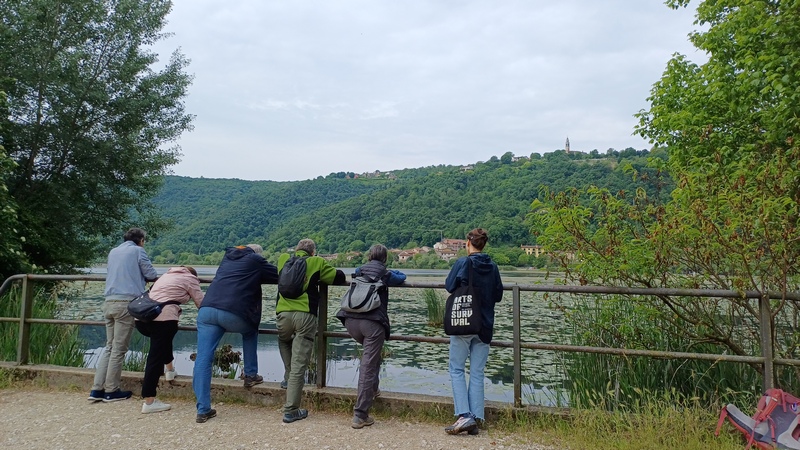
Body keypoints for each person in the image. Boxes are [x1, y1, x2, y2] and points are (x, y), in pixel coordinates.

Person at [193, 244, 278, 423]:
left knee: (203, 358)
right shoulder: (255, 260)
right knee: (250, 331)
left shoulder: (227, 258)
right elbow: (279, 275)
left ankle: (203, 409)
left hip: (207, 310)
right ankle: (250, 375)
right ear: (257, 254)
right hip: (233, 312)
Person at [336, 244, 406, 429]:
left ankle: (373, 390)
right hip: (372, 324)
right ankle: (360, 415)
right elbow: (402, 277)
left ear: (369, 256)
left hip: (350, 321)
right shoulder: (386, 273)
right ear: (385, 258)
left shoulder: (359, 270)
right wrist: (390, 270)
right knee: (368, 365)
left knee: (371, 359)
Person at [276, 238, 345, 423]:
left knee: (283, 340)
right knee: (299, 364)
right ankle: (291, 410)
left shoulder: (283, 259)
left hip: (283, 315)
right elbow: (338, 277)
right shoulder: (316, 262)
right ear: (312, 252)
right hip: (305, 316)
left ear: (297, 249)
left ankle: (287, 377)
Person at [443, 228, 503, 435]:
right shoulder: (493, 266)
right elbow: (498, 295)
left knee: (457, 369)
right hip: (485, 324)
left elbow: (449, 286)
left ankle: (464, 416)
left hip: (464, 322)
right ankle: (475, 417)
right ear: (484, 244)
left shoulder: (463, 262)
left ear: (469, 243)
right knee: (477, 372)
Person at [89, 227, 158, 403]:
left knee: (109, 347)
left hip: (109, 302)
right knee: (119, 349)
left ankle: (97, 389)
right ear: (141, 240)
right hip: (125, 304)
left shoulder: (114, 251)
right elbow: (151, 274)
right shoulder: (138, 251)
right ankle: (111, 390)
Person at [136, 265, 204, 414]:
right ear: (194, 276)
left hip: (142, 319)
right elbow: (201, 303)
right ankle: (149, 400)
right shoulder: (190, 278)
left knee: (162, 343)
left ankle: (170, 370)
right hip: (163, 320)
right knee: (155, 358)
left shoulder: (166, 276)